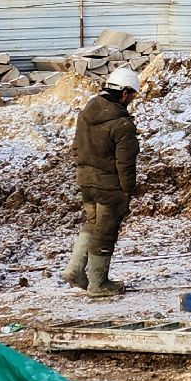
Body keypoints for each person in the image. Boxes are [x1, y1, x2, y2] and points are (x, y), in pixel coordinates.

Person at [64, 66, 141, 297]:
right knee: (105, 232)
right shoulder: (122, 124)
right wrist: (127, 191)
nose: (132, 100)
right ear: (124, 93)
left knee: (91, 223)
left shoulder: (86, 114)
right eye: (132, 95)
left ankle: (75, 270)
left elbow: (76, 147)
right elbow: (125, 163)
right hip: (109, 186)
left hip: (86, 181)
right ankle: (98, 284)